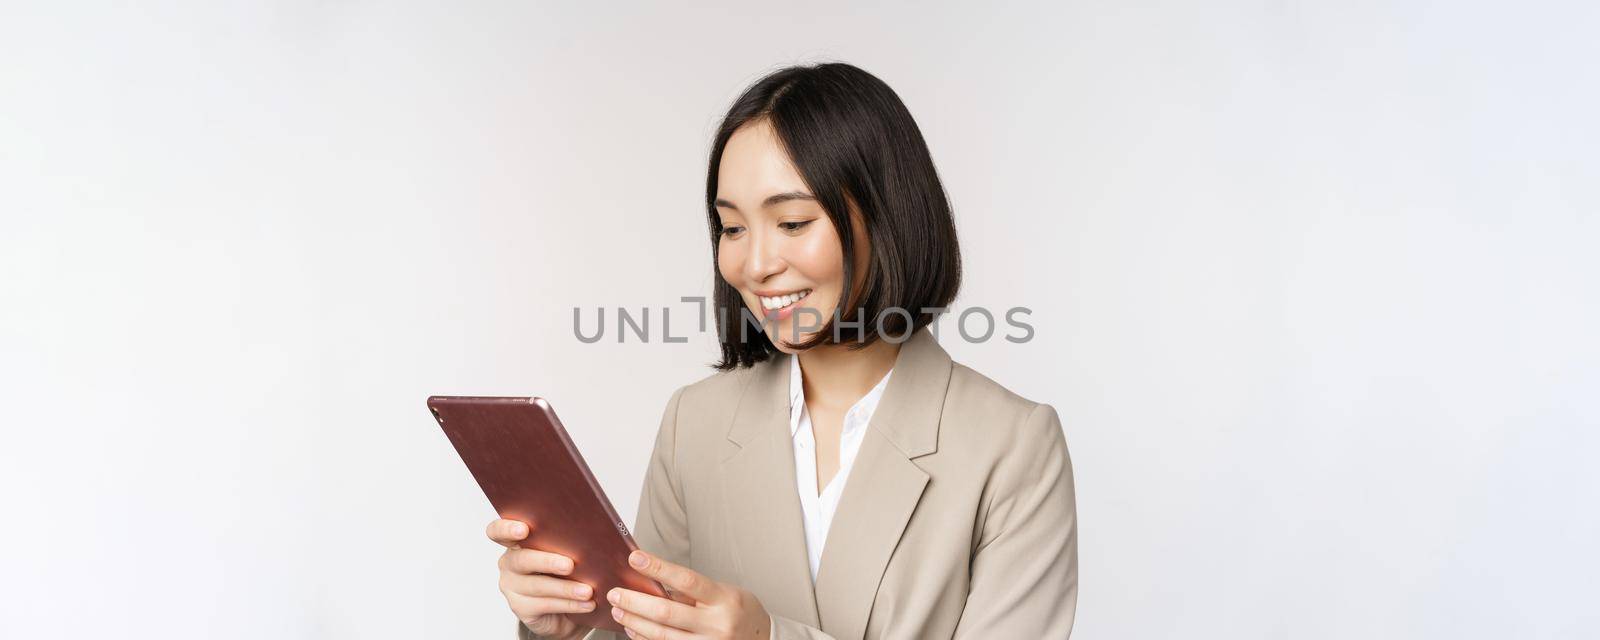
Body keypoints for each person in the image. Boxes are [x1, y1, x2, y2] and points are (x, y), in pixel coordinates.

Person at [488, 62, 1078, 639]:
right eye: (733, 228)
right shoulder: (693, 423)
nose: (757, 265)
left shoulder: (1012, 444)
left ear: (887, 218)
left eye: (793, 222)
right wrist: (566, 628)